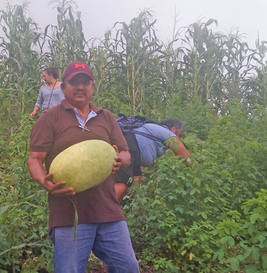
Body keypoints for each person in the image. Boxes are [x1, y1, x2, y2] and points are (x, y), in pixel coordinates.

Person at [27, 61, 140, 273]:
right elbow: (34, 159)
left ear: (93, 86)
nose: (80, 87)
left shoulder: (106, 117)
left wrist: (119, 159)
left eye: (85, 82)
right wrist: (45, 181)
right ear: (63, 87)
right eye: (74, 82)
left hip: (108, 210)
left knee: (128, 267)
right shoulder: (50, 117)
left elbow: (126, 154)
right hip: (69, 214)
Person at [114, 119, 191, 201]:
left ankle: (130, 208)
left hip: (135, 154)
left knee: (136, 181)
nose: (179, 138)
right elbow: (184, 154)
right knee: (123, 182)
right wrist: (198, 170)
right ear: (173, 129)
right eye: (180, 134)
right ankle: (103, 210)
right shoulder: (166, 132)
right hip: (130, 147)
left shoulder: (156, 130)